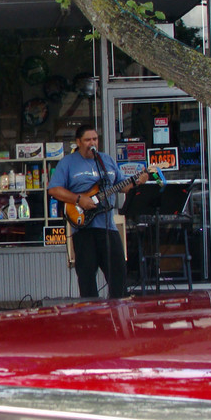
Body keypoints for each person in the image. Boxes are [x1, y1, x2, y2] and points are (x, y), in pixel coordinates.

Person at [47, 125, 147, 298]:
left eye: (95, 139)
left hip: (108, 227)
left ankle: (117, 311)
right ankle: (91, 317)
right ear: (78, 142)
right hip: (84, 229)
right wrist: (79, 199)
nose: (92, 143)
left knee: (118, 274)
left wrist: (139, 181)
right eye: (87, 140)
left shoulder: (106, 160)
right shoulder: (68, 163)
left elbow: (122, 186)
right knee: (86, 278)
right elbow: (54, 190)